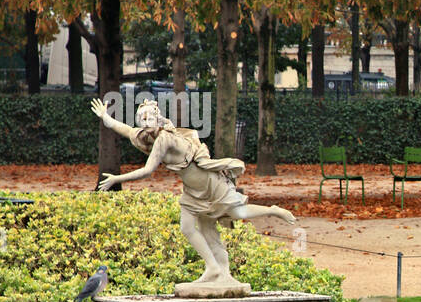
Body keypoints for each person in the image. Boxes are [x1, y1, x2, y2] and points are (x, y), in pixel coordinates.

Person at [90, 97, 295, 287]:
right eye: (142, 118)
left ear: (158, 117)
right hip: (192, 191)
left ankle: (274, 210)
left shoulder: (164, 138)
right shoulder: (146, 137)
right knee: (192, 229)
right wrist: (105, 117)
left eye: (150, 116)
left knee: (238, 213)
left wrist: (117, 178)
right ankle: (215, 270)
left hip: (210, 184)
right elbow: (126, 130)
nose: (145, 121)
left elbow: (147, 170)